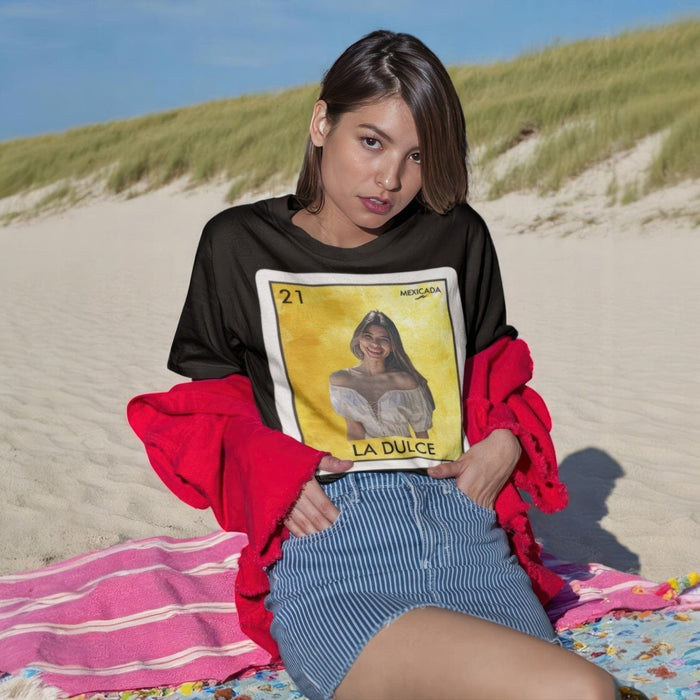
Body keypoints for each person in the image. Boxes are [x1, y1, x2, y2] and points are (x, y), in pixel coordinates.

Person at [164, 30, 647, 700]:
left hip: (464, 534)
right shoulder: (239, 243)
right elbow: (213, 406)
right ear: (321, 123)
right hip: (332, 544)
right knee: (578, 691)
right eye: (371, 141)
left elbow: (495, 375)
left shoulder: (457, 235)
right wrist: (273, 473)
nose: (390, 178)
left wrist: (505, 444)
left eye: (416, 155)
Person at [329, 310, 435, 440]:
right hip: (368, 451)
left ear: (392, 345)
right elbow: (354, 431)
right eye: (368, 336)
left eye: (384, 339)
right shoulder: (341, 380)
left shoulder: (405, 381)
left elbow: (422, 434)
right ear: (359, 338)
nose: (375, 344)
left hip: (405, 451)